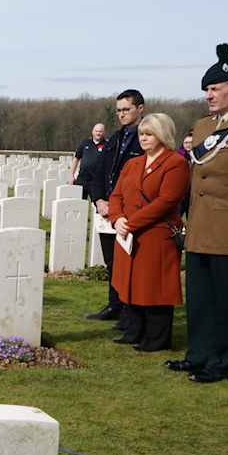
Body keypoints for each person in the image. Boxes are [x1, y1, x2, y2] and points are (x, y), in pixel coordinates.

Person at [165, 43, 228, 383]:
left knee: (226, 300)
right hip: (199, 225)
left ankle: (219, 363)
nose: (208, 95)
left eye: (215, 89)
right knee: (199, 298)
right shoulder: (202, 127)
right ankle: (197, 354)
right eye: (207, 90)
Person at [108, 113, 188, 351]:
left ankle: (156, 338)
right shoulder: (133, 163)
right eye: (141, 133)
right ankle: (134, 331)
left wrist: (129, 222)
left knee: (155, 288)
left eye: (149, 133)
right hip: (129, 234)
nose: (143, 138)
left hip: (155, 233)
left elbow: (166, 201)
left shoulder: (176, 163)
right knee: (131, 284)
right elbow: (117, 195)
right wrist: (116, 218)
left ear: (162, 135)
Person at [85, 90, 146, 330]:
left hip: (129, 211)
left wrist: (119, 206)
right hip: (107, 210)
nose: (121, 114)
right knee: (111, 261)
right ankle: (115, 305)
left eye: (126, 109)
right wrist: (99, 199)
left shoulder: (144, 138)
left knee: (128, 261)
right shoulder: (115, 139)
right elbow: (101, 172)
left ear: (140, 108)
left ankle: (130, 311)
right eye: (118, 110)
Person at [68, 123, 106, 200]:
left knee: (97, 204)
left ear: (104, 132)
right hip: (82, 179)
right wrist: (71, 175)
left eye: (100, 131)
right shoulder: (85, 143)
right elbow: (76, 158)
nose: (98, 133)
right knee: (78, 203)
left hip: (97, 180)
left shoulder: (107, 145)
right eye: (96, 131)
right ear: (92, 131)